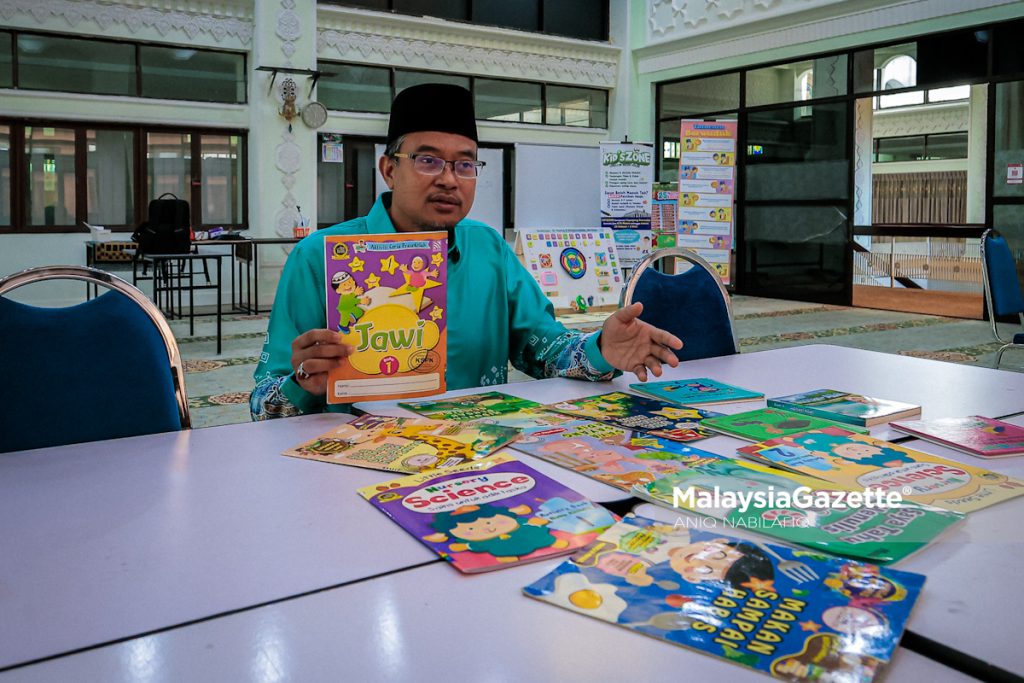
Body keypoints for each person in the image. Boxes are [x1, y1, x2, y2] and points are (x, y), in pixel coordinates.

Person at [251, 84, 682, 419]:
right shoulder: (320, 258)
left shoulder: (488, 249)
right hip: (353, 470)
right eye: (427, 160)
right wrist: (302, 383)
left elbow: (544, 350)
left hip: (478, 460)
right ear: (389, 169)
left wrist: (601, 348)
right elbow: (262, 406)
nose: (449, 179)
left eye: (465, 164)